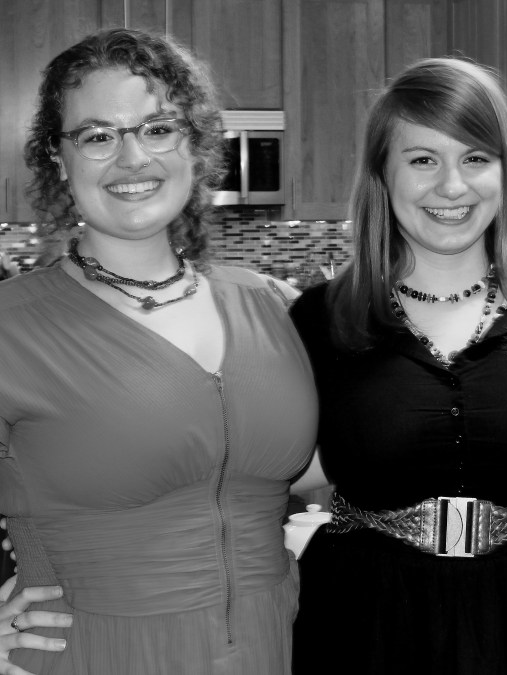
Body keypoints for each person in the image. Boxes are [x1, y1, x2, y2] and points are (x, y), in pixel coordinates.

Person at [0, 28, 317, 674]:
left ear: (193, 145)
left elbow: (342, 464)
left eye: (157, 129)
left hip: (268, 650)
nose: (132, 158)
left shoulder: (274, 306)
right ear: (59, 158)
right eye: (97, 136)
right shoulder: (12, 326)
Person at [288, 57, 507, 674]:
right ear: (382, 174)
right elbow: (263, 469)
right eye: (422, 160)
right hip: (362, 624)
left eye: (476, 158)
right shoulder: (319, 320)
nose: (452, 186)